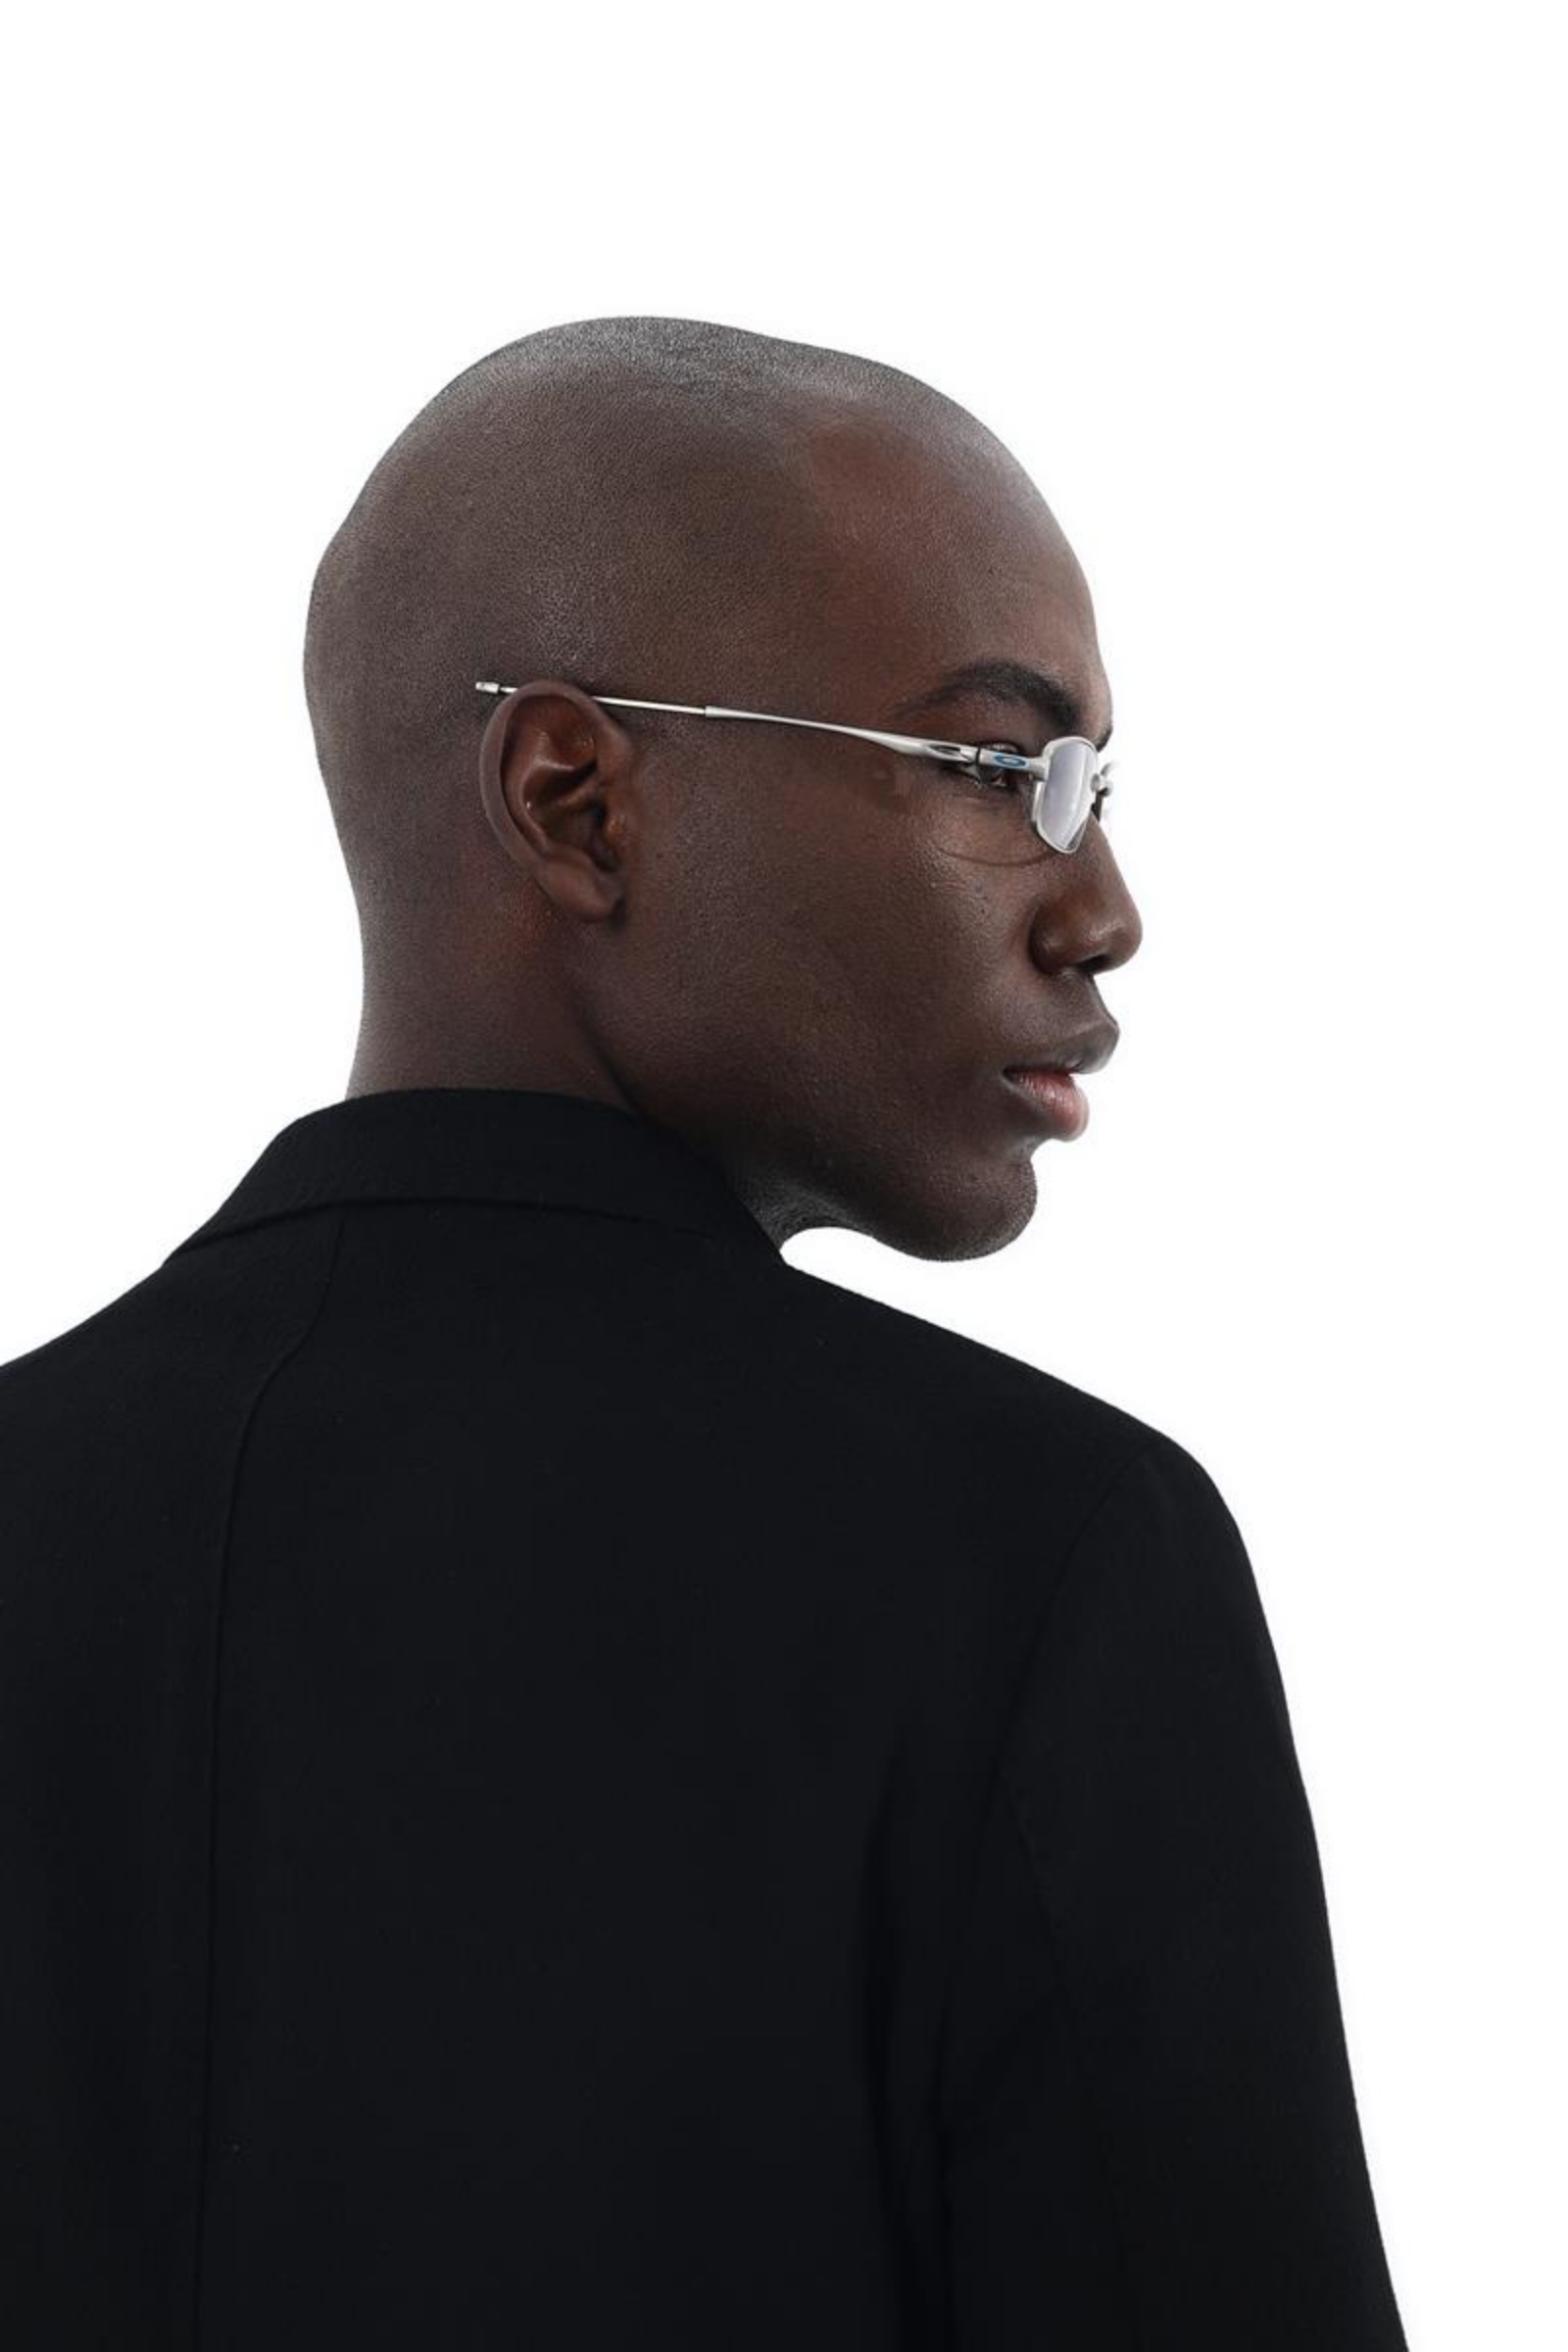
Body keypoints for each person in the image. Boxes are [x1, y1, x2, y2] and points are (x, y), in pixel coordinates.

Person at [0, 316, 1409, 2347]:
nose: (1101, 904)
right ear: (575, 800)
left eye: (1091, 786)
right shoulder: (1036, 1565)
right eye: (997, 768)